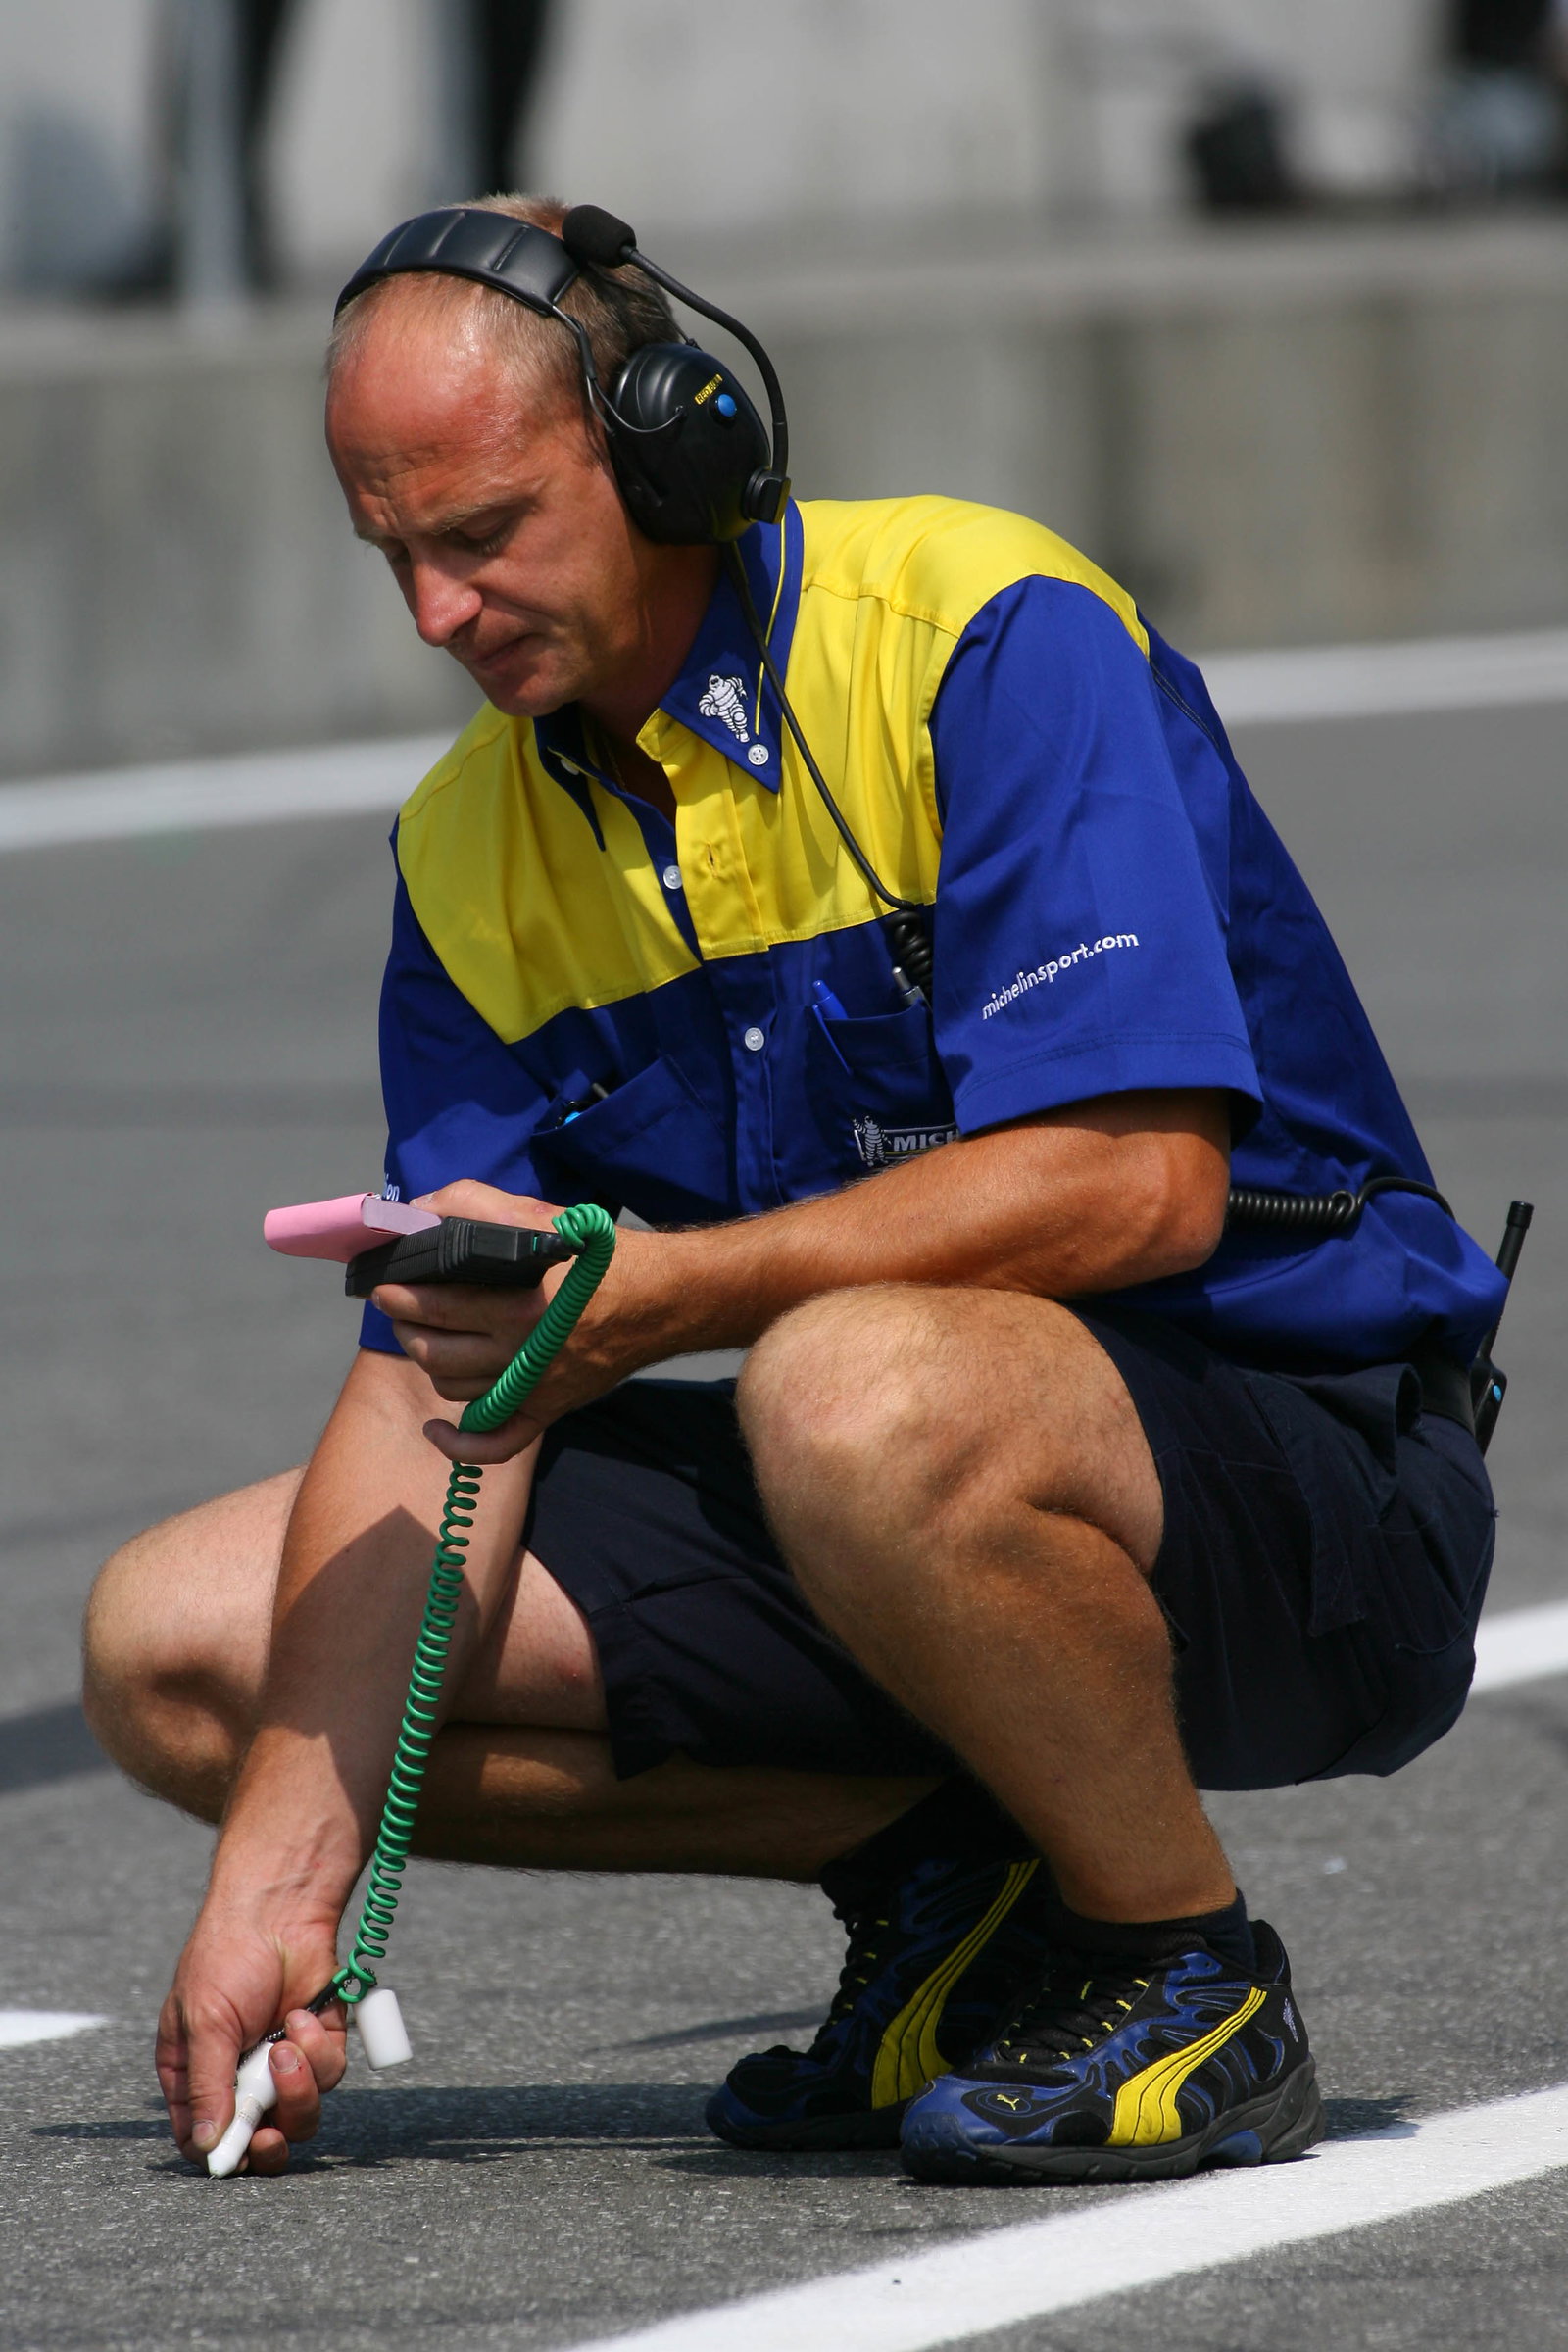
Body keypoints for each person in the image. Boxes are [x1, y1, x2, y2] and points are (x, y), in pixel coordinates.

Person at [82, 192, 1503, 2185]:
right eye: (391, 555)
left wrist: (676, 1295)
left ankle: (1184, 1973)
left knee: (840, 1382)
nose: (434, 614)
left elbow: (1137, 1188)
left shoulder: (974, 637)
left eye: (480, 534)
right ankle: (954, 1885)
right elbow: (446, 1376)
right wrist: (282, 1885)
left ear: (673, 446)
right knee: (182, 1643)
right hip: (877, 1480)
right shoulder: (464, 854)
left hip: (1301, 1493)